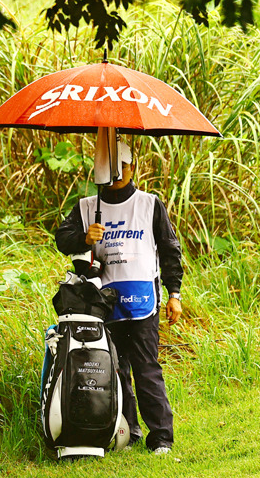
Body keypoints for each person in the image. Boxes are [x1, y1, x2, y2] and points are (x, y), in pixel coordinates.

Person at [54, 138, 183, 455]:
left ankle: (161, 437)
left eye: (122, 167)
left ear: (132, 167)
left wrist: (174, 293)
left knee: (146, 369)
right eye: (110, 168)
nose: (116, 174)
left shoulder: (149, 204)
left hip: (142, 302)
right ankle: (128, 430)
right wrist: (85, 237)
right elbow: (62, 239)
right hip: (103, 303)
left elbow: (170, 250)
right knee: (114, 370)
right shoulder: (87, 206)